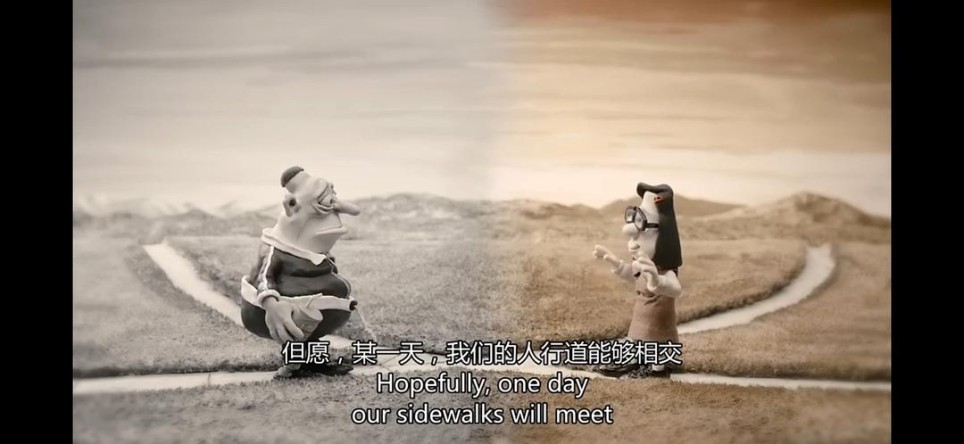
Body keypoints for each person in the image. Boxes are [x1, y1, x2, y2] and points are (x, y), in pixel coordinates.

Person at [240, 166, 362, 378]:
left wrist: (332, 202)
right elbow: (264, 278)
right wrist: (272, 306)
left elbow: (354, 210)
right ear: (292, 206)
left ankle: (315, 363)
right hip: (286, 310)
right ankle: (291, 368)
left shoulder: (311, 248)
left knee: (310, 336)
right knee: (297, 333)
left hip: (311, 308)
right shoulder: (276, 249)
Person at [592, 182, 683, 378]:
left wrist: (657, 281)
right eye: (633, 238)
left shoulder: (666, 270)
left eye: (641, 237)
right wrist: (615, 263)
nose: (633, 244)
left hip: (659, 322)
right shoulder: (642, 264)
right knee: (637, 340)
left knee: (657, 348)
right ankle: (632, 361)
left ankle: (658, 371)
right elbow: (631, 275)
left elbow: (675, 289)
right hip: (640, 317)